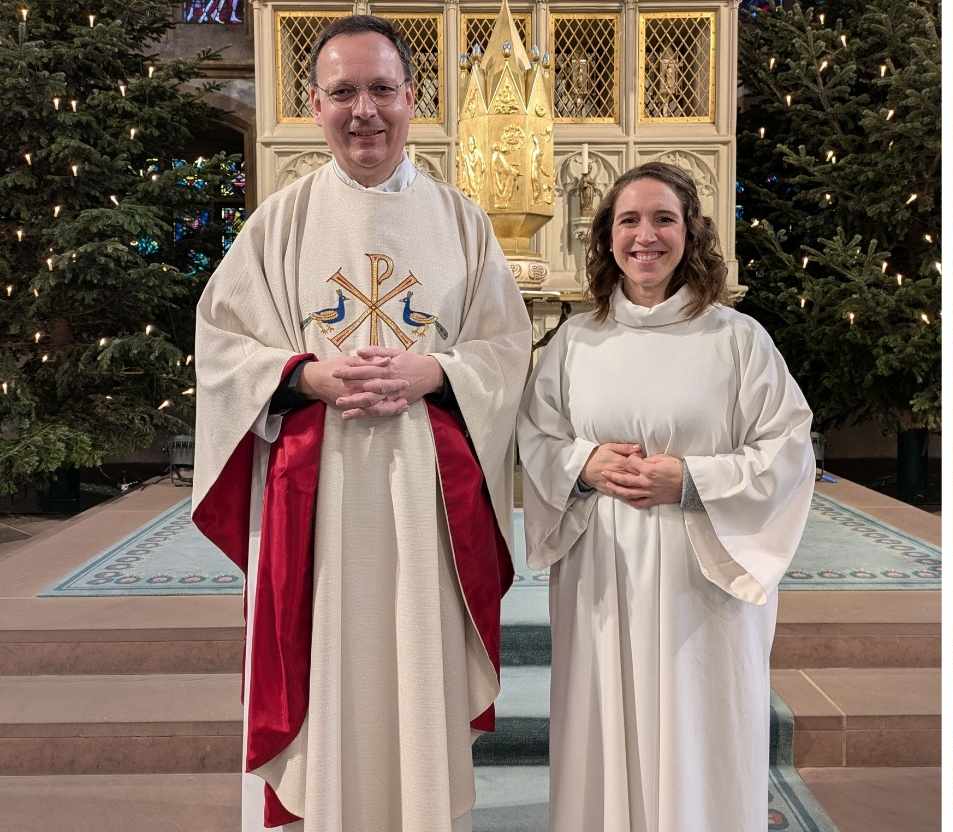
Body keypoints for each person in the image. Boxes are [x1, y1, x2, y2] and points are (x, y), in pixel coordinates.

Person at [189, 16, 530, 832]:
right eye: (343, 92)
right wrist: (303, 375)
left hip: (423, 503)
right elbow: (220, 345)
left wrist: (436, 371)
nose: (364, 111)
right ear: (314, 105)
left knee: (415, 664)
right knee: (330, 664)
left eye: (381, 89)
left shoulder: (462, 222)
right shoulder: (280, 221)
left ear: (413, 99)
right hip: (319, 499)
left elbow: (507, 347)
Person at [517, 162, 815, 831]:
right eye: (629, 220)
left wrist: (693, 479)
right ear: (607, 236)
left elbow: (788, 450)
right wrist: (584, 463)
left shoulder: (736, 339)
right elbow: (536, 436)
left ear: (690, 233)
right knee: (603, 726)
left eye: (663, 220)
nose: (645, 236)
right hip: (602, 569)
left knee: (698, 727)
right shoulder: (576, 341)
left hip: (700, 570)